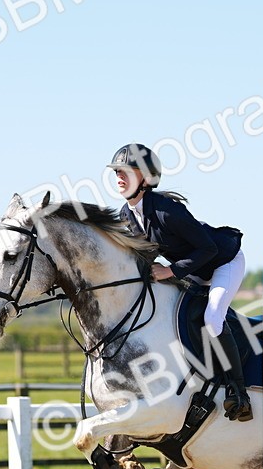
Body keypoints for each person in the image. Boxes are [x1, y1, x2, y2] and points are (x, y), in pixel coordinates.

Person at [107, 142, 252, 421]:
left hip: (223, 261)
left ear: (145, 178)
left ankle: (239, 394)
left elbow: (208, 248)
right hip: (194, 269)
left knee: (213, 318)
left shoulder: (167, 210)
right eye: (117, 172)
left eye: (127, 171)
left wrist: (171, 271)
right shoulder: (126, 215)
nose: (119, 177)